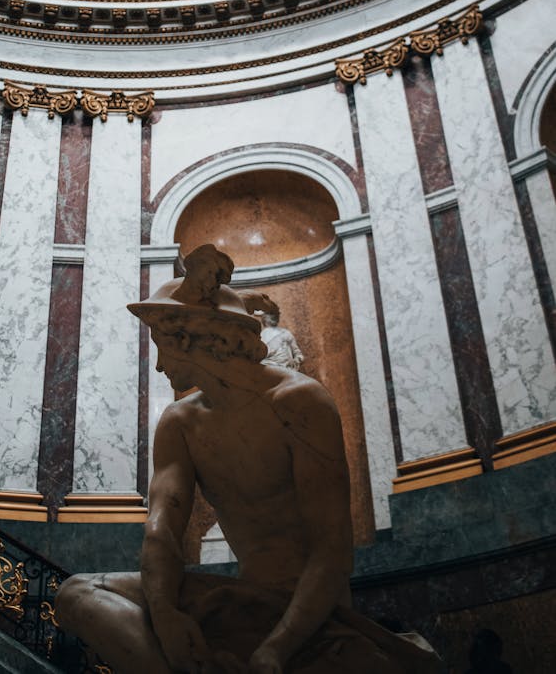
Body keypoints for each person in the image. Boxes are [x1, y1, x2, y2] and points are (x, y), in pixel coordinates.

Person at [54, 243, 441, 674]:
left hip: (307, 616)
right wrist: (165, 616)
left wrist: (276, 649)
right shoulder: (181, 422)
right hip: (241, 599)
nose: (160, 364)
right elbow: (162, 531)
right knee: (75, 594)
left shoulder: (299, 402)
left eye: (162, 344)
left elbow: (332, 552)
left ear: (192, 338)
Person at [259, 305, 304, 371]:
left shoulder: (285, 333)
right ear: (263, 316)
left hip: (287, 370)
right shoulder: (259, 336)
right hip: (268, 371)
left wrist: (296, 360)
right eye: (270, 314)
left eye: (275, 314)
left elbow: (298, 354)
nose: (273, 316)